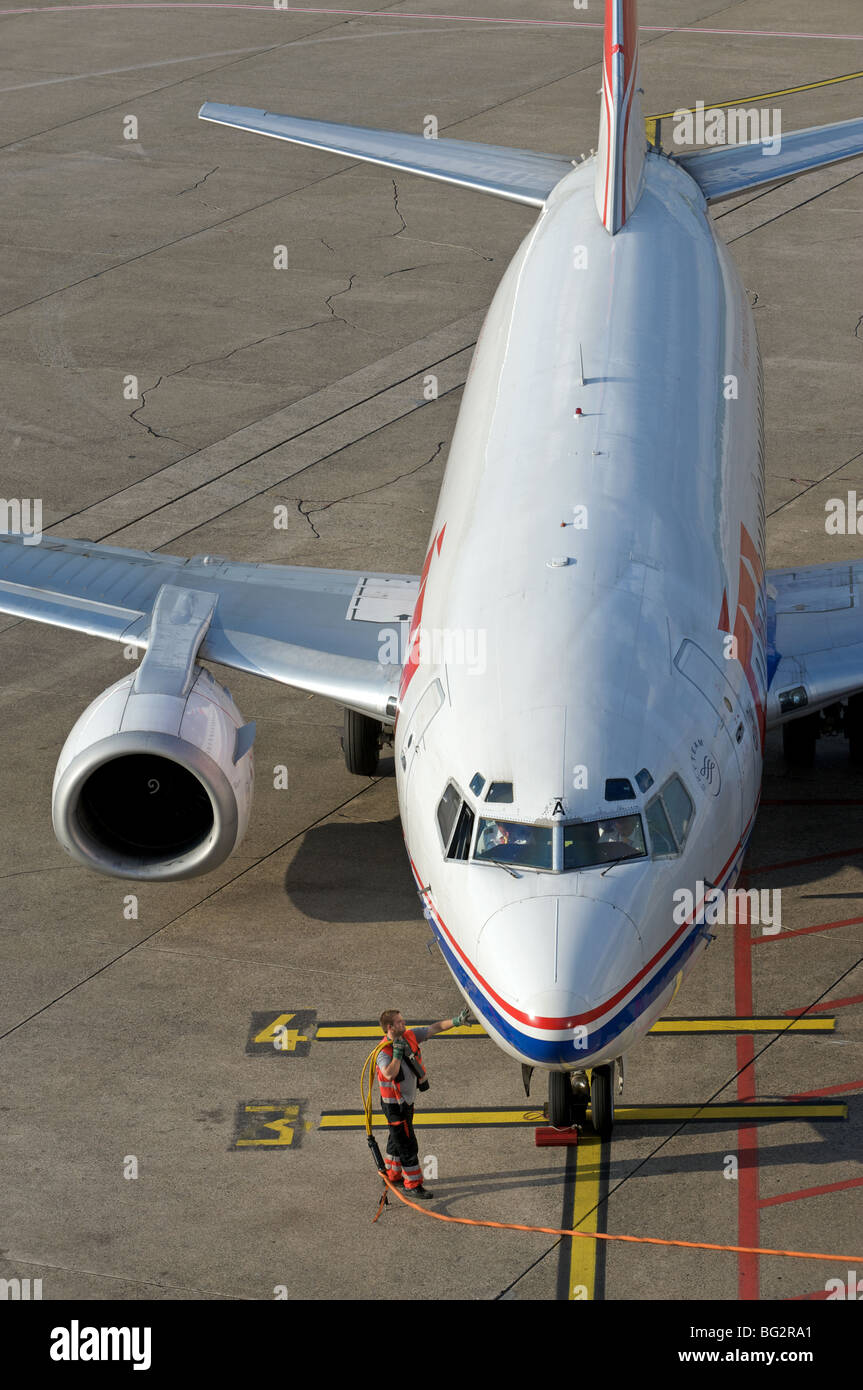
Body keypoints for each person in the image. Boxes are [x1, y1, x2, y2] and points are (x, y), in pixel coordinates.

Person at [377, 1006, 471, 1199]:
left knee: (398, 1138)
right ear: (389, 1027)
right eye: (399, 1022)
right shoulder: (383, 1051)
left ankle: (393, 1174)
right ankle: (411, 1184)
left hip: (406, 1103)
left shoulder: (410, 1036)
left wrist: (455, 1021)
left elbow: (433, 1028)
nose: (404, 1023)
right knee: (408, 1144)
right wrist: (396, 1054)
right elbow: (389, 1074)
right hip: (395, 1106)